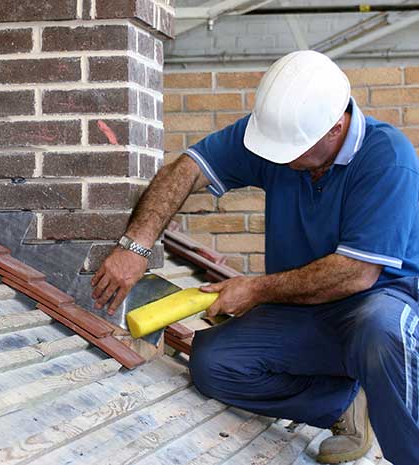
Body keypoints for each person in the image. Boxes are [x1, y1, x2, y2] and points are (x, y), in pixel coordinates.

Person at [91, 50, 419, 465]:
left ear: (335, 129)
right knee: (215, 364)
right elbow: (187, 169)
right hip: (304, 306)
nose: (277, 160)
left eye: (291, 152)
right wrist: (135, 245)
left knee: (381, 332)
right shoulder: (275, 137)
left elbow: (356, 274)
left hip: (378, 303)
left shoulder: (387, 157)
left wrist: (256, 290)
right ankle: (341, 403)